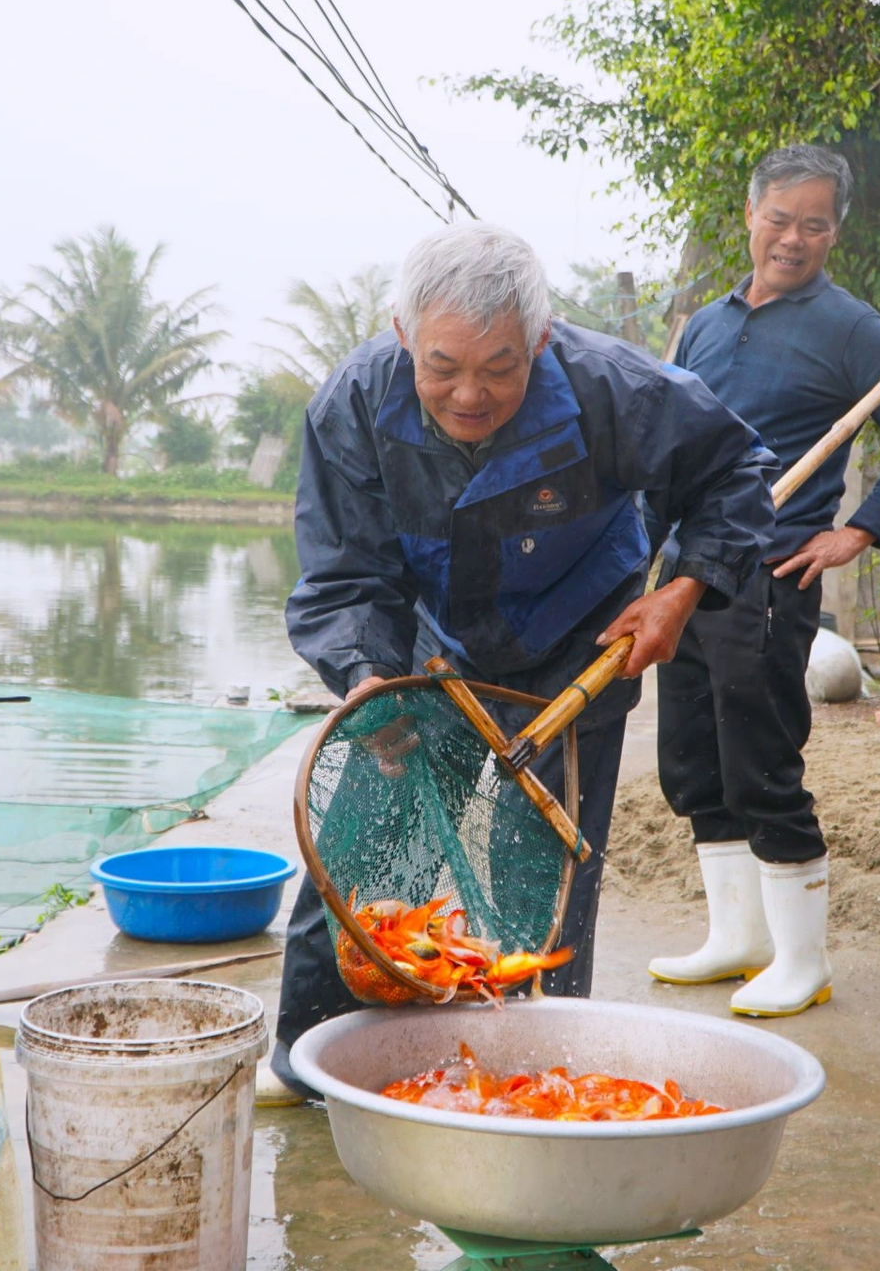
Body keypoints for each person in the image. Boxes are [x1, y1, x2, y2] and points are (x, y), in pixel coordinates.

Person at [265, 221, 780, 1101]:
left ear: (539, 342)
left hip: (580, 642)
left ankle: (529, 1074)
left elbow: (735, 474)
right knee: (361, 846)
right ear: (402, 337)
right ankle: (312, 1061)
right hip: (426, 655)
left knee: (543, 871)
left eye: (500, 368)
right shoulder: (351, 404)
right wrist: (367, 679)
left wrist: (681, 591)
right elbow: (346, 574)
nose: (470, 393)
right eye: (443, 366)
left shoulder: (613, 388)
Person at [649, 144, 880, 1017]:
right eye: (778, 219)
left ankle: (803, 960)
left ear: (835, 232)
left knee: (761, 765)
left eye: (813, 225)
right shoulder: (704, 325)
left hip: (769, 577)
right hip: (688, 579)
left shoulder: (851, 329)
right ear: (749, 217)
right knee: (694, 766)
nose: (792, 239)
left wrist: (854, 531)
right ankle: (737, 940)